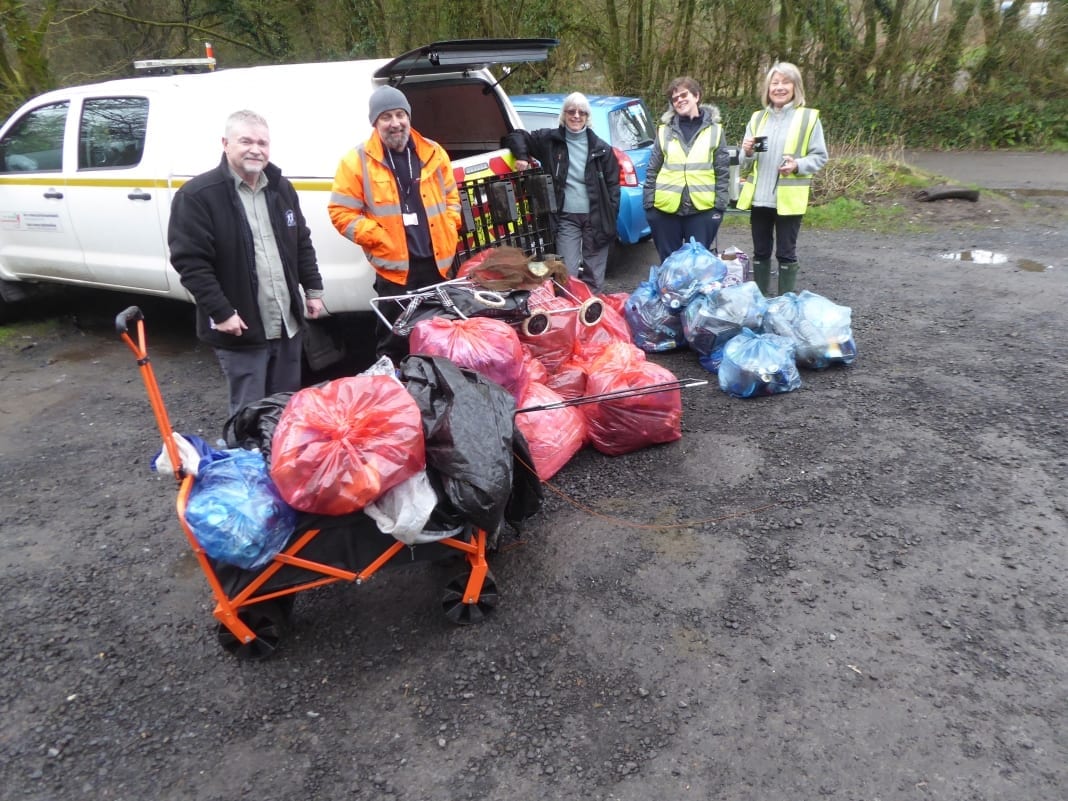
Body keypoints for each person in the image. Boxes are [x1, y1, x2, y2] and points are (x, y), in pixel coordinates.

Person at [168, 109, 325, 419]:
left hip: (286, 323)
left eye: (263, 143)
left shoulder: (281, 189)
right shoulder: (198, 196)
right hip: (241, 328)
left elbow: (301, 242)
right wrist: (221, 311)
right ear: (226, 143)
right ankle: (249, 463)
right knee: (249, 413)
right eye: (246, 141)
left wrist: (313, 289)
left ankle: (280, 464)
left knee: (286, 409)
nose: (256, 149)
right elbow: (191, 262)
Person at [329, 85, 462, 362]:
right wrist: (379, 237)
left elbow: (452, 197)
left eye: (400, 114)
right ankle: (398, 394)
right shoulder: (356, 162)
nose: (395, 123)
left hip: (438, 266)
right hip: (395, 274)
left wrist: (450, 225)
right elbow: (341, 212)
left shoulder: (433, 153)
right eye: (386, 117)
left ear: (409, 117)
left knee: (444, 335)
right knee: (394, 341)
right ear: (375, 123)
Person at [503, 92, 621, 294]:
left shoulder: (601, 149)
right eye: (571, 111)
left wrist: (609, 213)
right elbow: (517, 135)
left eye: (582, 112)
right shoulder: (550, 141)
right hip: (566, 218)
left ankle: (590, 316)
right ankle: (570, 315)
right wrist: (522, 156)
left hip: (596, 217)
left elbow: (613, 187)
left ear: (587, 117)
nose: (576, 116)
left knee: (594, 276)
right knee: (566, 273)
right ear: (564, 114)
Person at [737, 62, 828, 296]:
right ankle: (760, 304)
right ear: (767, 89)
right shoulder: (757, 119)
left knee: (786, 253)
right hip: (760, 198)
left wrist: (798, 164)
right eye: (774, 83)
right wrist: (746, 152)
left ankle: (785, 304)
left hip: (789, 199)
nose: (779, 88)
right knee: (760, 252)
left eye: (785, 82)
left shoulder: (808, 118)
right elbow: (745, 163)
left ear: (795, 87)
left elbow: (820, 156)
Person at [643, 77, 731, 263]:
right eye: (675, 98)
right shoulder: (664, 131)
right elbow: (653, 170)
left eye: (684, 95)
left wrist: (719, 208)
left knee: (697, 267)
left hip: (702, 211)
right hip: (665, 210)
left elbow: (722, 172)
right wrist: (650, 206)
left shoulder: (715, 131)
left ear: (697, 96)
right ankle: (669, 294)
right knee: (669, 267)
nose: (679, 100)